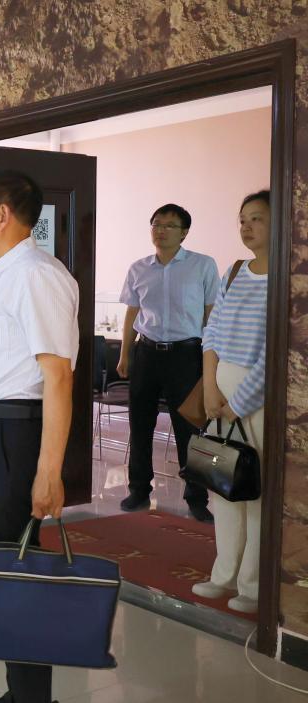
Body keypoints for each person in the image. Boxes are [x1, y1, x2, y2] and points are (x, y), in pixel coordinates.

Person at [0, 168, 78, 703]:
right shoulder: (4, 272)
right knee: (0, 563)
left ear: (1, 214)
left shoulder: (35, 275)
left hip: (13, 434)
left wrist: (49, 472)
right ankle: (20, 691)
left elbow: (58, 377)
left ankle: (31, 697)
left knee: (16, 568)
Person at [191, 190, 269, 615]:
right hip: (219, 389)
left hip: (257, 397)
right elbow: (213, 331)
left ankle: (253, 585)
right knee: (223, 484)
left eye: (256, 218)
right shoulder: (235, 271)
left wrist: (238, 403)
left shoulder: (289, 279)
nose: (246, 226)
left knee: (253, 489)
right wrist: (210, 387)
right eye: (242, 219)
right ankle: (222, 574)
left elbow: (277, 353)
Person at [116, 204, 219, 523]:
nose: (160, 230)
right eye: (156, 224)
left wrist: (211, 361)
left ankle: (196, 497)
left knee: (190, 429)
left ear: (184, 232)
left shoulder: (202, 265)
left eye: (169, 225)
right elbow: (132, 313)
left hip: (186, 355)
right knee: (140, 424)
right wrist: (125, 353)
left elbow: (211, 315)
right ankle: (138, 489)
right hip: (147, 353)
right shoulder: (139, 268)